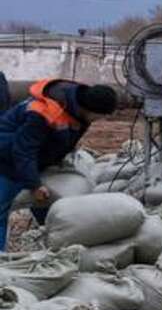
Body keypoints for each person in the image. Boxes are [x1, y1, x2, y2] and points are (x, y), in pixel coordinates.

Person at [0, 77, 118, 245]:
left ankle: (54, 247)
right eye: (100, 116)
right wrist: (34, 184)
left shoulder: (79, 108)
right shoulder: (42, 113)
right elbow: (23, 151)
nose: (100, 120)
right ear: (90, 110)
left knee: (49, 205)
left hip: (37, 158)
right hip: (6, 157)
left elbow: (65, 139)